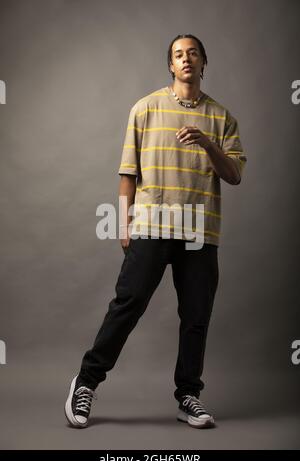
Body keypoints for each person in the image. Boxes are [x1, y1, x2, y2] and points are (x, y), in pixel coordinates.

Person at [65, 33, 247, 429]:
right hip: (151, 225)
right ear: (171, 65)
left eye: (192, 53)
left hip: (199, 231)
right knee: (127, 306)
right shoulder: (145, 108)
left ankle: (188, 397)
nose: (185, 59)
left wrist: (207, 143)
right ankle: (86, 382)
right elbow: (128, 173)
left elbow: (233, 175)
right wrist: (123, 223)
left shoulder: (221, 117)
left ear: (203, 62)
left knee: (196, 316)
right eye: (178, 55)